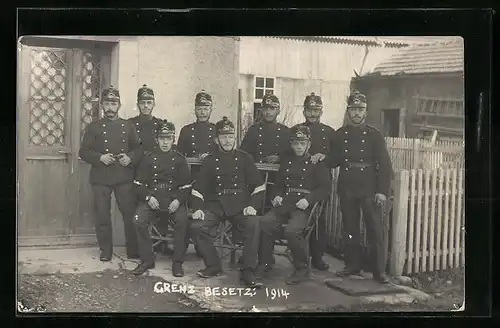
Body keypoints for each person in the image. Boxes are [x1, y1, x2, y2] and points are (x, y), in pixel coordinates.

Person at [189, 116, 267, 287]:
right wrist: (197, 208)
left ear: (235, 138)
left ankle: (247, 270)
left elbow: (259, 186)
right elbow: (198, 188)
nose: (227, 140)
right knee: (197, 226)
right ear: (217, 139)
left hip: (240, 205)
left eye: (230, 136)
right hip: (216, 204)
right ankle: (213, 265)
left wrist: (252, 206)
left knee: (254, 224)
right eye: (223, 137)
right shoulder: (210, 161)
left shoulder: (245, 158)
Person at [325, 91, 392, 284]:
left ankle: (379, 271)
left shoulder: (374, 135)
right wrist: (321, 157)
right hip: (347, 184)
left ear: (366, 112)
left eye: (360, 109)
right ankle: (352, 265)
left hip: (369, 186)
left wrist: (382, 191)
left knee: (374, 229)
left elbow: (385, 165)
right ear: (348, 111)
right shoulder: (340, 135)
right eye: (353, 109)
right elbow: (334, 160)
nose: (356, 113)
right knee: (350, 227)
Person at [259, 125, 332, 285]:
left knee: (292, 231)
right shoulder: (287, 162)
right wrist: (277, 196)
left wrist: (309, 200)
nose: (299, 147)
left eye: (302, 143)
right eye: (296, 143)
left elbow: (325, 188)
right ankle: (266, 262)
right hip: (286, 203)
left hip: (304, 206)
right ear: (291, 144)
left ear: (309, 145)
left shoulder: (317, 164)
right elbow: (278, 185)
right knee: (264, 223)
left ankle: (301, 268)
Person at [79, 85, 143, 261]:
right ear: (101, 105)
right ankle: (106, 250)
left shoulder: (127, 126)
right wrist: (100, 157)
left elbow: (138, 150)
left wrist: (129, 158)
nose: (110, 107)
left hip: (123, 177)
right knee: (102, 215)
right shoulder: (94, 127)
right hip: (101, 178)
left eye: (113, 103)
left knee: (130, 214)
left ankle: (133, 250)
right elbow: (83, 152)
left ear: (119, 105)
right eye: (106, 103)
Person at [131, 121, 192, 277]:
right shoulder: (148, 159)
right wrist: (147, 197)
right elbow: (138, 183)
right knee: (138, 220)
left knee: (182, 221)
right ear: (157, 139)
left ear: (173, 140)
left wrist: (178, 200)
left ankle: (177, 262)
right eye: (162, 138)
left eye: (168, 138)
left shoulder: (179, 160)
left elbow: (186, 186)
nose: (165, 142)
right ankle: (147, 259)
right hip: (153, 199)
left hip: (173, 200)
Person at [240, 93, 290, 274]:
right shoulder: (253, 130)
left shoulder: (285, 132)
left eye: (272, 109)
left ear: (278, 110)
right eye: (266, 109)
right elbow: (243, 154)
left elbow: (291, 155)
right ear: (261, 111)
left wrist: (279, 157)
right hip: (256, 181)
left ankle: (266, 258)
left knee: (269, 220)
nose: (269, 112)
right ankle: (249, 255)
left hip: (276, 184)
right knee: (252, 217)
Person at [292, 92, 336, 271]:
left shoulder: (329, 132)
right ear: (304, 111)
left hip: (320, 182)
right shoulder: (296, 130)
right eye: (309, 110)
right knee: (298, 219)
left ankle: (317, 258)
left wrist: (324, 156)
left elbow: (337, 156)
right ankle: (299, 257)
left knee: (319, 221)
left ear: (322, 111)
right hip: (299, 182)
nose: (312, 113)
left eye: (316, 110)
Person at [177, 90, 217, 159]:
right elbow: (179, 156)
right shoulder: (186, 130)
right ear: (195, 110)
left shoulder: (216, 130)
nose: (202, 112)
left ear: (211, 110)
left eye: (205, 109)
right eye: (199, 109)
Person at [128, 84, 165, 154]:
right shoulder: (130, 124)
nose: (146, 106)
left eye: (149, 103)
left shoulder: (160, 124)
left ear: (154, 104)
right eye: (142, 103)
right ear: (137, 105)